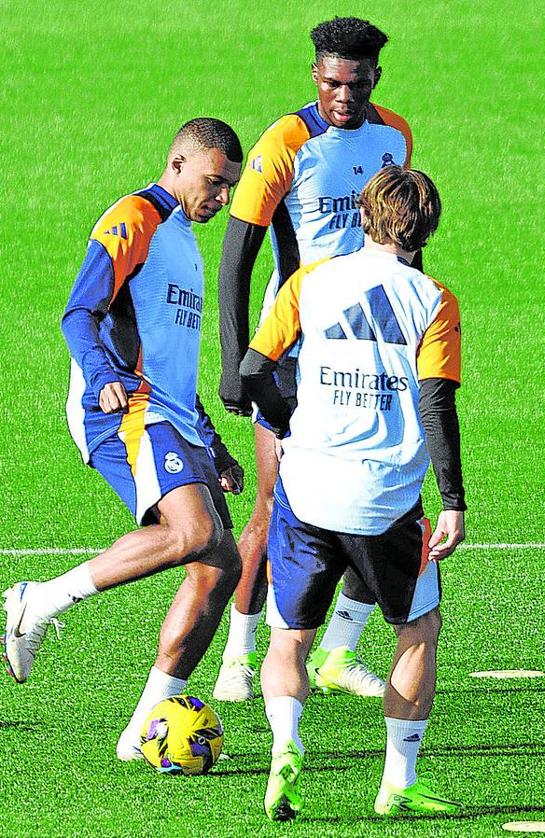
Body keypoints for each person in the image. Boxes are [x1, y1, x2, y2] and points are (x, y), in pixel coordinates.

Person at [3, 118, 245, 762]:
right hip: (124, 407)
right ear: (178, 163)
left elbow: (172, 357)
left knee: (222, 565)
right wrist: (105, 372)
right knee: (194, 535)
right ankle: (37, 600)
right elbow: (79, 310)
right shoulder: (135, 216)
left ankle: (144, 729)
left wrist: (213, 441)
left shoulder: (186, 241)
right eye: (214, 182)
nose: (221, 198)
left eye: (229, 189)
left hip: (173, 412)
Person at [240, 167, 464, 821]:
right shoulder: (434, 300)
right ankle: (398, 779)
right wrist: (452, 498)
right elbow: (435, 404)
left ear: (363, 219)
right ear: (428, 228)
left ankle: (285, 746)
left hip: (306, 490)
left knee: (290, 639)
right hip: (387, 502)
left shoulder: (311, 282)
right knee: (418, 627)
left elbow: (253, 369)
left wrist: (288, 425)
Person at [213, 16, 415, 702]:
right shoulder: (285, 143)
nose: (344, 96)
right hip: (296, 354)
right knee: (275, 502)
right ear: (315, 75)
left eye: (356, 83)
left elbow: (407, 237)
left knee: (383, 497)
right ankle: (237, 655)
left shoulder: (396, 137)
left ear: (375, 79)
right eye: (332, 82)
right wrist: (236, 360)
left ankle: (337, 651)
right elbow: (238, 255)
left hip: (372, 352)